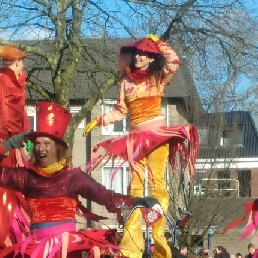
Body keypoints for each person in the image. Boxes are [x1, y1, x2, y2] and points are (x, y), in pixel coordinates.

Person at [83, 34, 199, 258]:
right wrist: (98, 121)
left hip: (156, 136)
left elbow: (174, 60)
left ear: (150, 58)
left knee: (157, 183)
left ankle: (159, 243)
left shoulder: (158, 77)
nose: (138, 57)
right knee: (134, 188)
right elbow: (120, 111)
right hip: (135, 140)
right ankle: (131, 248)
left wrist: (158, 42)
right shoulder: (126, 83)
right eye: (136, 53)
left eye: (143, 54)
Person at [0, 101, 160, 257]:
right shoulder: (26, 177)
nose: (41, 148)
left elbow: (105, 196)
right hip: (37, 249)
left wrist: (136, 201)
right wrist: (7, 145)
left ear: (57, 147)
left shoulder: (73, 177)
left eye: (47, 144)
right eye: (38, 144)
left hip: (67, 249)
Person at [0, 45, 31, 252]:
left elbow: (20, 113)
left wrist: (26, 134)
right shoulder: (4, 81)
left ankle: (17, 239)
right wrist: (6, 143)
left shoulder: (16, 83)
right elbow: (4, 114)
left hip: (14, 146)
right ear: (18, 62)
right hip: (6, 147)